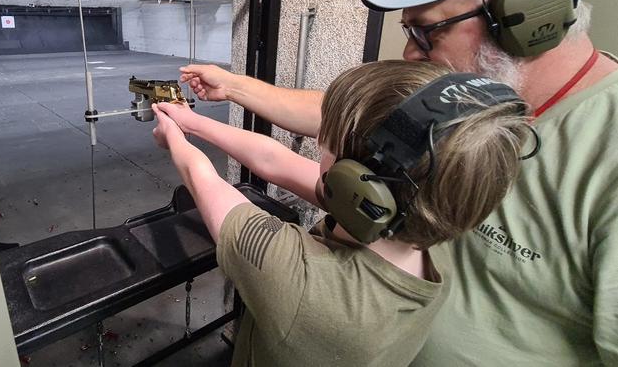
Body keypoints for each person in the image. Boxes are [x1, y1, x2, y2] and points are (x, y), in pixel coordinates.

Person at [179, 0, 618, 365]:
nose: (411, 52)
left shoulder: (601, 150)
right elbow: (346, 118)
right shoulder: (463, 100)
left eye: (426, 31)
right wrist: (230, 87)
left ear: (527, 15)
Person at [152, 60, 530, 367]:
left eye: (327, 146)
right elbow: (275, 160)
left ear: (359, 185)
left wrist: (174, 138)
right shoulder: (417, 226)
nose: (318, 146)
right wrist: (192, 122)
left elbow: (203, 181)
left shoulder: (305, 287)